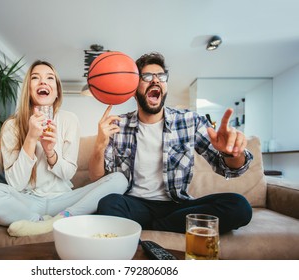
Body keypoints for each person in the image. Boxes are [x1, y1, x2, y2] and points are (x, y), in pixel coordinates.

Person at [89, 52, 253, 234]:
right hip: (134, 205)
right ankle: (168, 225)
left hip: (177, 205)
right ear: (134, 90)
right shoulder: (118, 125)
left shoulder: (190, 121)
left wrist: (231, 153)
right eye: (147, 77)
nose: (155, 81)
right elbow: (98, 179)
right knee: (108, 203)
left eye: (161, 76)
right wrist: (99, 146)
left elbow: (230, 168)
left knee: (239, 206)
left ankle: (157, 225)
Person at [0, 60, 128, 236]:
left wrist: (50, 152)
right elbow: (16, 184)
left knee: (119, 180)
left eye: (49, 78)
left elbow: (68, 174)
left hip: (63, 199)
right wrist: (31, 139)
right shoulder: (12, 126)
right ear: (28, 90)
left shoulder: (69, 120)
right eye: (35, 78)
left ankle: (62, 219)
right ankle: (39, 222)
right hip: (27, 200)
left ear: (56, 92)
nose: (43, 82)